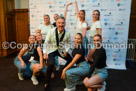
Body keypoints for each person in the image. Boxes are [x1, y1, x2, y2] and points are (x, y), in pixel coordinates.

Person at [43, 17, 73, 88]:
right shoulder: (51, 31)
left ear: (65, 24)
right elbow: (46, 43)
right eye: (59, 23)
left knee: (70, 60)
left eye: (62, 23)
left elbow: (68, 43)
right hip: (52, 50)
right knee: (52, 63)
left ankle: (63, 71)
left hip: (61, 50)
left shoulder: (68, 33)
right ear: (56, 24)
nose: (61, 24)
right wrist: (44, 52)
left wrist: (66, 51)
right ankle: (46, 81)